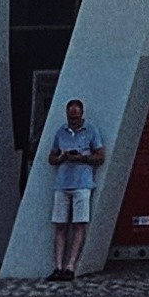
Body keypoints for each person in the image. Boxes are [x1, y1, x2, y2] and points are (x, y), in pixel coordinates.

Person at [43, 96, 105, 281]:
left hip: (82, 183)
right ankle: (58, 266)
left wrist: (83, 158)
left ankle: (70, 266)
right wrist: (62, 157)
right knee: (60, 225)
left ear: (82, 115)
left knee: (79, 224)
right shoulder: (60, 132)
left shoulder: (91, 130)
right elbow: (51, 158)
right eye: (71, 118)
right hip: (62, 183)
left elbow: (100, 156)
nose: (73, 121)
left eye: (76, 118)